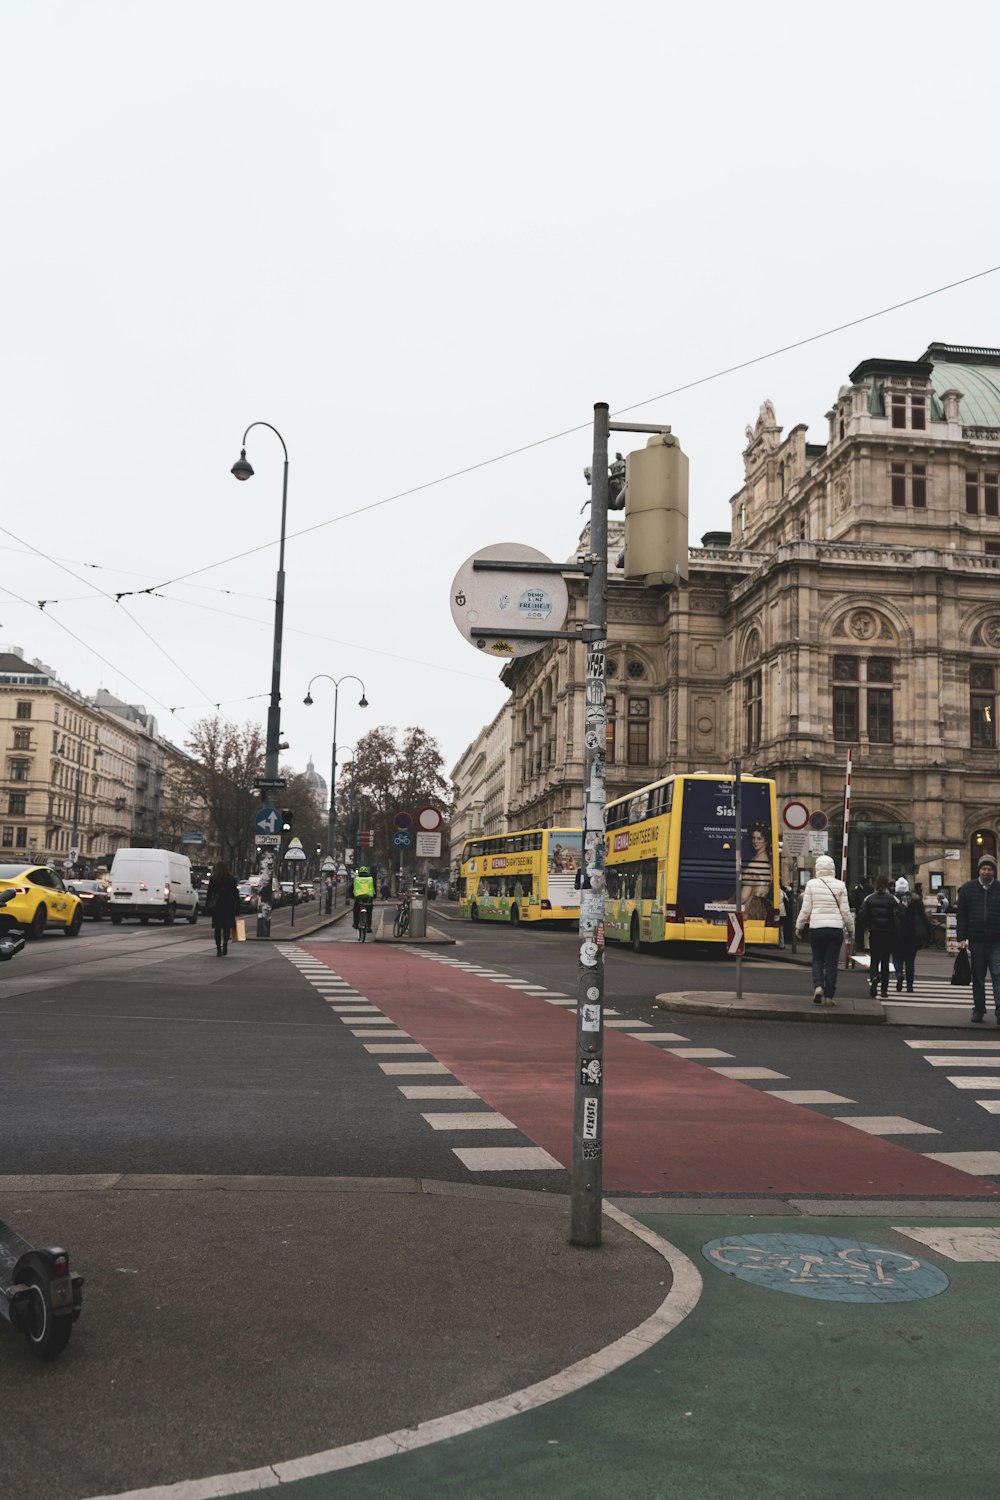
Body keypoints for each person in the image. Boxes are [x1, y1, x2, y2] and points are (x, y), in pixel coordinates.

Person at [795, 853, 854, 1005]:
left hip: (817, 928)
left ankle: (818, 986)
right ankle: (829, 997)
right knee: (831, 964)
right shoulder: (840, 885)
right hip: (835, 929)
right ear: (833, 869)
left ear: (817, 868)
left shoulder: (811, 885)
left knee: (817, 960)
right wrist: (851, 929)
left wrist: (799, 926)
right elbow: (846, 912)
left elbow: (806, 909)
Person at [956, 854, 1000, 1024]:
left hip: (997, 941)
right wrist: (961, 938)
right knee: (978, 977)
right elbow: (962, 915)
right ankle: (979, 1010)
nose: (986, 872)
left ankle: (999, 1011)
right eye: (984, 868)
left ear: (994, 871)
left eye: (990, 869)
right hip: (976, 941)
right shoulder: (968, 889)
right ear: (979, 870)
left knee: (998, 975)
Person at [856, 875, 898, 999]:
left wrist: (868, 925)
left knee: (874, 959)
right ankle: (884, 990)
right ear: (886, 885)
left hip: (874, 932)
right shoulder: (892, 899)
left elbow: (862, 914)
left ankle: (874, 976)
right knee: (885, 961)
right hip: (888, 932)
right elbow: (900, 912)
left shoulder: (869, 899)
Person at [891, 877, 933, 993]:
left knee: (897, 957)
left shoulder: (893, 900)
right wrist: (928, 933)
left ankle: (899, 973)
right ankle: (910, 986)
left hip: (897, 934)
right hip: (912, 934)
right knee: (910, 961)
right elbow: (923, 918)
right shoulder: (916, 901)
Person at [206, 860, 240, 958]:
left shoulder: (214, 879)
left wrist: (208, 905)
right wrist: (237, 906)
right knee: (227, 927)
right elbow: (235, 893)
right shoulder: (231, 879)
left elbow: (209, 894)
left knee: (217, 928)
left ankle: (218, 949)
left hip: (217, 906)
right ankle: (225, 943)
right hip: (228, 905)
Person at [740, 822, 772, 921]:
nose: (755, 841)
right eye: (753, 838)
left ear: (765, 841)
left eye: (759, 839)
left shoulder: (755, 863)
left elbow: (744, 896)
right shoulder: (767, 861)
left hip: (750, 907)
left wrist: (729, 906)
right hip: (762, 907)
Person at [352, 865, 376, 930]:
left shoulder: (357, 879)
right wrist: (373, 897)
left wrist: (351, 896)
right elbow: (374, 889)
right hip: (368, 899)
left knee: (355, 910)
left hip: (359, 899)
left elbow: (352, 888)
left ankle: (356, 924)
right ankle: (368, 926)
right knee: (369, 913)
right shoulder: (370, 879)